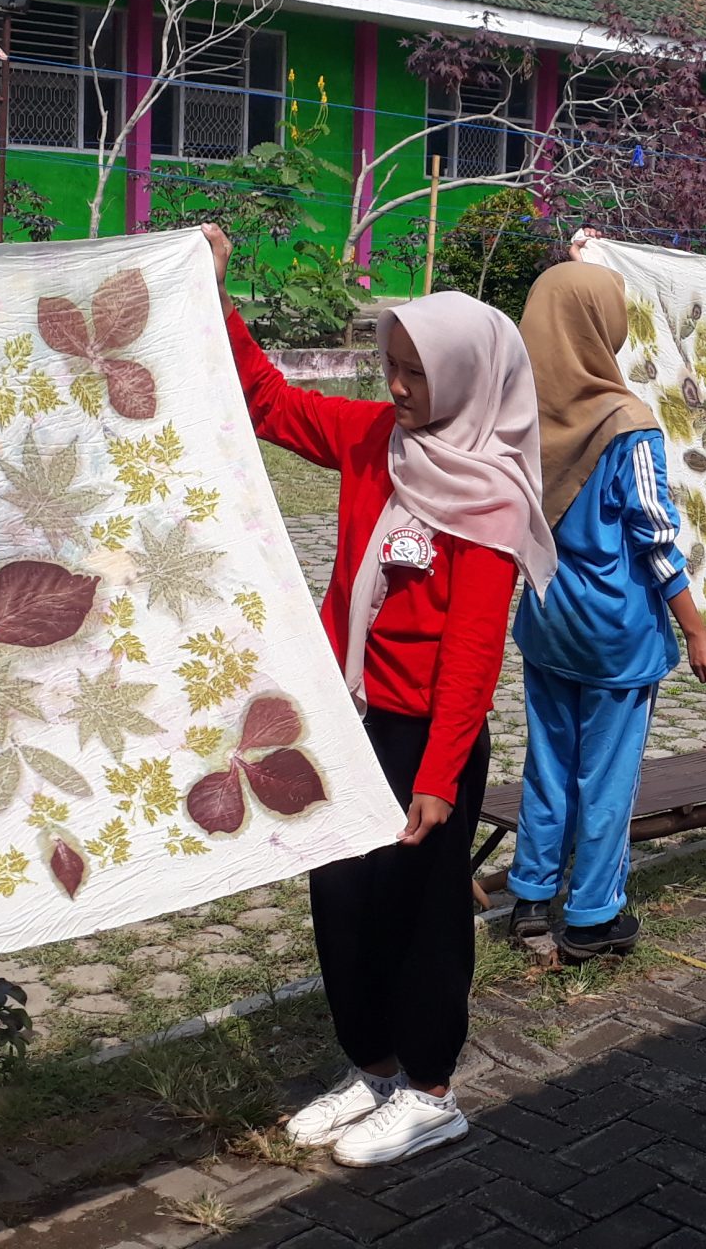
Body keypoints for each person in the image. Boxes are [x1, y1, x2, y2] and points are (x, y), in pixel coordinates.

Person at [214, 226, 550, 1168]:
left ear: (469, 381)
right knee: (342, 901)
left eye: (414, 374)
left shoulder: (487, 496)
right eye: (389, 367)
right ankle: (370, 1067)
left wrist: (440, 780)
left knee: (421, 915)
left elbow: (474, 655)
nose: (395, 389)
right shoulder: (374, 442)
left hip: (427, 741)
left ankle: (433, 1091)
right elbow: (270, 406)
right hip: (349, 718)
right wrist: (214, 295)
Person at [506, 262, 706, 957]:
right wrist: (696, 629)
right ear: (601, 327)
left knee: (548, 761)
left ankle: (532, 898)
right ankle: (594, 914)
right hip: (614, 634)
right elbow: (655, 539)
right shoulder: (628, 424)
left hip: (547, 620)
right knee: (608, 775)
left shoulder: (520, 419)